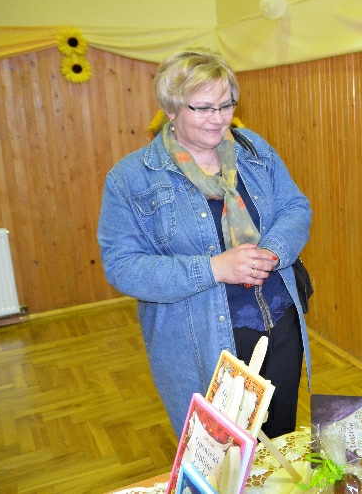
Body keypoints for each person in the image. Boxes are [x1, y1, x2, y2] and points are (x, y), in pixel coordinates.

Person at [97, 48, 312, 439]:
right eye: (203, 108)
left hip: (279, 326)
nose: (219, 119)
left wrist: (273, 251)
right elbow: (123, 267)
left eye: (226, 105)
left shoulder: (253, 149)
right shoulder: (131, 178)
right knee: (218, 456)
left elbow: (295, 207)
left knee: (278, 443)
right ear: (171, 109)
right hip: (201, 344)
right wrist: (214, 268)